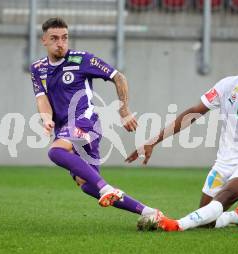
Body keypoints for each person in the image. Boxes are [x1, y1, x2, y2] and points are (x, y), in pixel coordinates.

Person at [127, 52, 238, 232]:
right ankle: (237, 216)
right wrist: (153, 141)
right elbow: (193, 113)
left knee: (226, 195)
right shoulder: (229, 85)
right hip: (225, 159)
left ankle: (176, 225)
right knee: (206, 219)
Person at [30, 17, 161, 220]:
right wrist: (46, 118)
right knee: (87, 185)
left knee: (55, 152)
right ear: (43, 41)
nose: (60, 43)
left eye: (64, 38)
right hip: (65, 127)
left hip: (86, 121)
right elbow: (42, 98)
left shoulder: (83, 59)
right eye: (54, 38)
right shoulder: (37, 68)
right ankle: (150, 213)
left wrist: (124, 109)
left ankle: (106, 188)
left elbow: (119, 77)